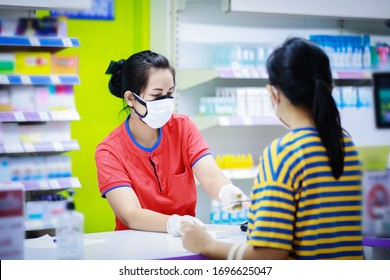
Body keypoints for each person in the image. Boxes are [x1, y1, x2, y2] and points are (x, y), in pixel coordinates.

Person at [181, 37, 364, 260]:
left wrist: (206, 244)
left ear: (274, 93)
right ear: (330, 89)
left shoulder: (283, 153)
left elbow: (270, 254)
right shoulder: (346, 146)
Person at [95, 50, 248, 236]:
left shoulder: (183, 127)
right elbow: (130, 214)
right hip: (134, 245)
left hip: (187, 241)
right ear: (130, 98)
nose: (166, 102)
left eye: (169, 93)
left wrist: (226, 191)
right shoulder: (109, 151)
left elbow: (211, 177)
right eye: (156, 95)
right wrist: (173, 223)